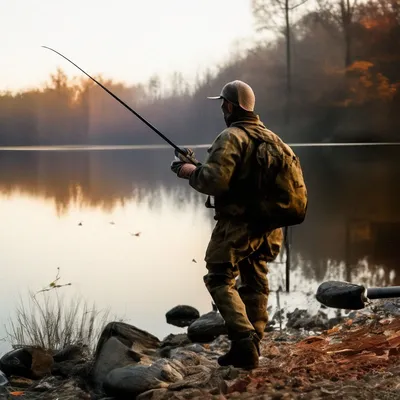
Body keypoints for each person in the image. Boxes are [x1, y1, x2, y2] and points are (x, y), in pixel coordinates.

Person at [171, 80, 285, 370]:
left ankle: (244, 340)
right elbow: (236, 177)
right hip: (270, 225)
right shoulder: (272, 138)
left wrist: (188, 172)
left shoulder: (231, 136)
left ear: (231, 106)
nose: (222, 108)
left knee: (219, 277)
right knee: (255, 281)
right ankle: (250, 348)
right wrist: (198, 165)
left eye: (223, 103)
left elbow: (215, 181)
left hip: (239, 224)